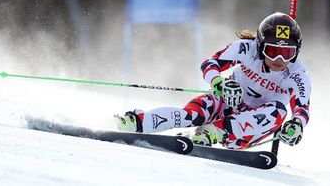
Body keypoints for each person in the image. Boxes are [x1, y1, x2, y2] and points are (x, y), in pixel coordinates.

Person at [115, 12, 311, 150]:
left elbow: (302, 110)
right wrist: (220, 84)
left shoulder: (298, 74)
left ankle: (213, 132)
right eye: (273, 51)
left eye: (287, 53)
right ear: (260, 46)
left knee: (279, 110)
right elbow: (209, 64)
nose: (280, 60)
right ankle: (138, 122)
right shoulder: (246, 48)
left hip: (245, 131)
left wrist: (296, 126)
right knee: (191, 114)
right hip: (227, 103)